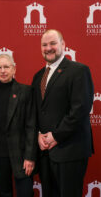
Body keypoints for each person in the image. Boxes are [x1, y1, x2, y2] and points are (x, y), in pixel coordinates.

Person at [32, 29, 94, 197]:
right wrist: (38, 134)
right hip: (45, 152)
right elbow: (36, 111)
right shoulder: (38, 76)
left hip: (70, 150)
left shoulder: (79, 71)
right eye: (44, 45)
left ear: (63, 45)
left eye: (53, 43)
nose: (48, 48)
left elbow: (80, 109)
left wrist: (56, 136)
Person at [0, 54, 37, 197]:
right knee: (3, 193)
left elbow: (31, 126)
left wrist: (30, 157)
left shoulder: (26, 91)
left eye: (6, 67)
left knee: (25, 193)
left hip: (22, 155)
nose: (3, 70)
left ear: (14, 69)